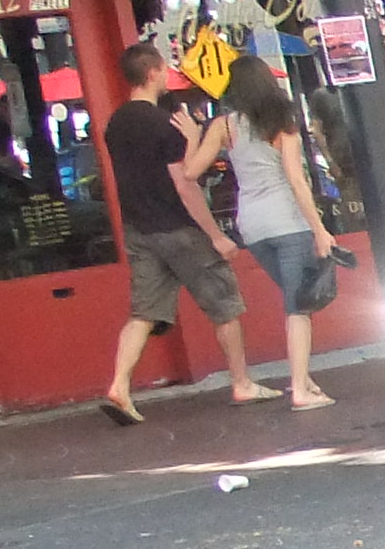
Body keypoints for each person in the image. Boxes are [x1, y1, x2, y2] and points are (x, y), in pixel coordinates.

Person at [99, 41, 252, 423]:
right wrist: (215, 235)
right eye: (164, 69)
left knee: (144, 312)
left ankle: (119, 386)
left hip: (140, 228)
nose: (167, 75)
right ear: (152, 72)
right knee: (224, 305)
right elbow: (185, 183)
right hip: (180, 227)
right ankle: (242, 382)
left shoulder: (116, 124)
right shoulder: (164, 125)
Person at [195, 60, 334, 411]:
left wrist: (190, 138)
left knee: (294, 297)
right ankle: (300, 389)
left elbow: (191, 171)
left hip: (252, 225)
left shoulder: (224, 126)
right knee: (298, 307)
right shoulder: (282, 122)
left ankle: (305, 380)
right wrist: (320, 230)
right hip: (288, 221)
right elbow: (296, 181)